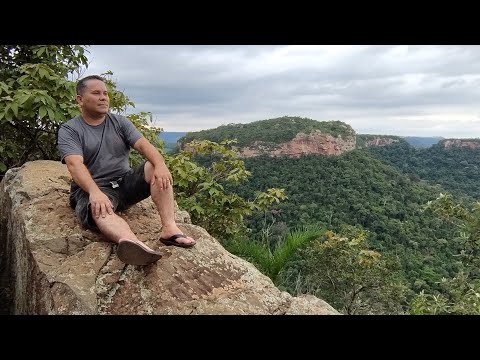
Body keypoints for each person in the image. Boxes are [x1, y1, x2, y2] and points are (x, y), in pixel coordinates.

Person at [57, 75, 196, 266]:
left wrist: (161, 165)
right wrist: (95, 193)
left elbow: (145, 146)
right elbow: (75, 164)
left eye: (105, 93)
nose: (103, 97)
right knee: (98, 208)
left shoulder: (120, 122)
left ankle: (169, 230)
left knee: (152, 166)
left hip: (123, 182)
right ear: (80, 99)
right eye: (96, 93)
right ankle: (132, 243)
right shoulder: (70, 129)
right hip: (95, 190)